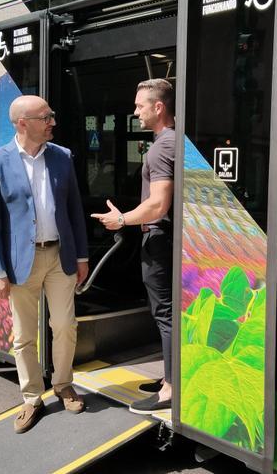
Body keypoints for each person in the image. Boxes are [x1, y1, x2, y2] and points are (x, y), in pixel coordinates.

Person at [0, 95, 90, 433]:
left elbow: (74, 211)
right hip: (19, 262)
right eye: (47, 116)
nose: (53, 121)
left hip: (59, 256)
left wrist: (82, 256)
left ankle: (63, 384)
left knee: (65, 326)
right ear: (23, 123)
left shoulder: (62, 158)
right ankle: (31, 397)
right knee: (24, 336)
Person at [92, 79, 175, 414]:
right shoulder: (171, 142)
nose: (135, 111)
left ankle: (171, 388)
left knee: (165, 314)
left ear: (159, 107)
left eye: (140, 106)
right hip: (162, 241)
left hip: (158, 241)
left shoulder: (160, 147)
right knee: (169, 314)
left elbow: (158, 205)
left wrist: (122, 220)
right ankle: (173, 377)